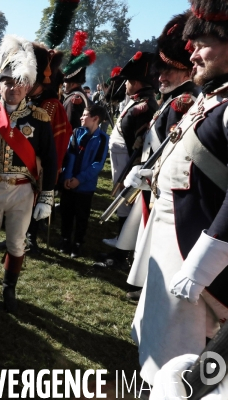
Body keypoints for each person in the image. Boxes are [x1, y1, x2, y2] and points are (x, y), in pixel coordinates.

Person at [125, 0, 228, 385]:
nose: (193, 52)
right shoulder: (213, 99)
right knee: (162, 359)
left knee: (179, 369)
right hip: (173, 249)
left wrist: (207, 257)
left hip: (195, 257)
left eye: (203, 43)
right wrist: (151, 177)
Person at [97, 12, 199, 275]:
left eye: (168, 71)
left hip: (158, 183)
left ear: (186, 69)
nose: (161, 77)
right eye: (160, 71)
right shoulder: (172, 99)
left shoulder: (182, 101)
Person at [0, 35, 57, 313]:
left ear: (27, 85)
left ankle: (9, 290)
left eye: (18, 82)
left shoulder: (39, 119)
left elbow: (51, 161)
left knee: (16, 244)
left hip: (22, 191)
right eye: (7, 81)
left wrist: (47, 196)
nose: (13, 87)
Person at [101, 51, 159, 249]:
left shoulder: (144, 106)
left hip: (128, 159)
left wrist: (133, 166)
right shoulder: (138, 102)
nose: (125, 84)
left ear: (136, 82)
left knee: (125, 199)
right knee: (121, 198)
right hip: (121, 157)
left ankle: (122, 242)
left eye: (128, 81)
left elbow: (140, 142)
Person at [25, 43, 72, 255]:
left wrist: (50, 167)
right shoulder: (28, 100)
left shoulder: (52, 105)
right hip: (21, 161)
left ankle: (30, 238)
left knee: (34, 202)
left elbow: (59, 141)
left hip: (40, 165)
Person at [59, 105, 109, 257]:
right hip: (69, 182)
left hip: (85, 186)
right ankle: (65, 240)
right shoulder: (76, 132)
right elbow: (70, 156)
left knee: (82, 216)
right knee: (66, 213)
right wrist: (67, 178)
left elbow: (97, 164)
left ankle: (78, 243)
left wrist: (79, 180)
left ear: (95, 119)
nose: (81, 117)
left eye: (85, 115)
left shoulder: (102, 139)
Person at [62, 31, 96, 130]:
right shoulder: (78, 94)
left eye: (66, 82)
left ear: (71, 82)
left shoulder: (74, 99)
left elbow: (72, 126)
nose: (64, 84)